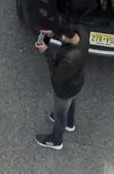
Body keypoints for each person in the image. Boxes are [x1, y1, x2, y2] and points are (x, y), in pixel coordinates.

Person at [35, 21, 88, 150]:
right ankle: (70, 122)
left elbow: (56, 77)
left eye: (61, 37)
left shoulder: (70, 58)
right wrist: (54, 33)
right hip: (77, 82)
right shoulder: (82, 33)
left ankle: (56, 140)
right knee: (71, 101)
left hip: (65, 89)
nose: (61, 39)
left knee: (60, 114)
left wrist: (46, 52)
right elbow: (68, 30)